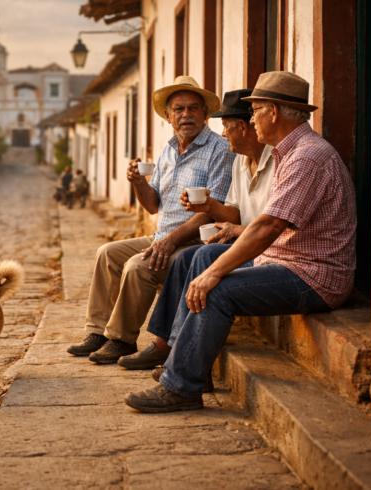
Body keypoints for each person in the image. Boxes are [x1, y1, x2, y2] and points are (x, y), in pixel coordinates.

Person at [124, 71, 357, 413]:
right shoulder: (286, 152)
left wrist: (215, 274)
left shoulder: (306, 156)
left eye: (255, 110)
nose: (251, 119)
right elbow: (262, 225)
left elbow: (269, 225)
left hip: (313, 276)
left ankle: (182, 387)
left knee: (215, 288)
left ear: (273, 113)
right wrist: (212, 265)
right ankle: (182, 359)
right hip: (283, 261)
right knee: (196, 259)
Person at [67, 76, 235, 364]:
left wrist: (169, 242)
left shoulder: (219, 149)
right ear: (168, 116)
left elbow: (211, 209)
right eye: (179, 109)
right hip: (162, 235)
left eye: (194, 108)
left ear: (205, 114)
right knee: (107, 253)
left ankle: (121, 340)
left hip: (194, 240)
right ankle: (98, 332)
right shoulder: (168, 149)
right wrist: (138, 183)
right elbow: (154, 205)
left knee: (137, 267)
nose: (186, 115)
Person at [117, 89, 275, 380]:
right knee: (175, 259)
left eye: (225, 127)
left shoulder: (265, 159)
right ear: (169, 115)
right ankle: (163, 346)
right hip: (215, 237)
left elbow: (270, 227)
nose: (223, 134)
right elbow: (234, 210)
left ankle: (175, 360)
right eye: (178, 109)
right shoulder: (240, 160)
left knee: (192, 259)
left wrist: (226, 223)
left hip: (264, 250)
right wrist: (212, 206)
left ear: (242, 127)